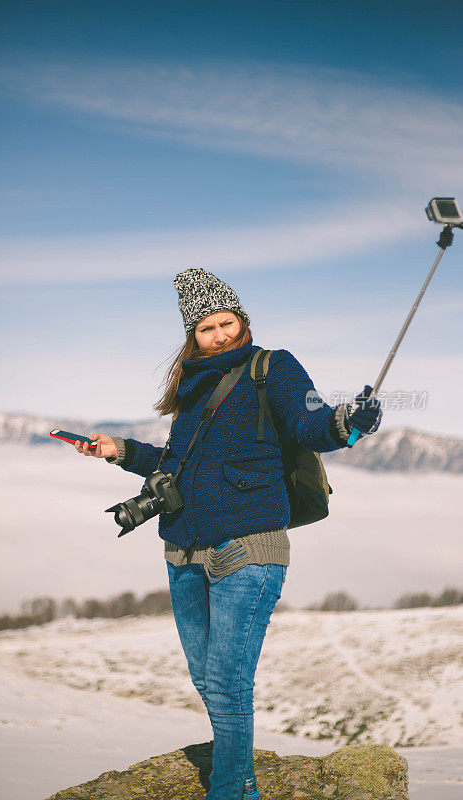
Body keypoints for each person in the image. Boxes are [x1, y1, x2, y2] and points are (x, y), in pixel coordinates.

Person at [74, 268, 382, 800]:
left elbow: (311, 424)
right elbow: (177, 464)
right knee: (207, 680)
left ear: (241, 319)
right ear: (191, 336)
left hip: (248, 547)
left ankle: (234, 791)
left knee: (227, 682)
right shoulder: (192, 386)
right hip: (183, 552)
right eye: (206, 328)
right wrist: (119, 451)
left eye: (226, 322)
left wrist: (346, 421)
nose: (220, 335)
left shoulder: (273, 367)